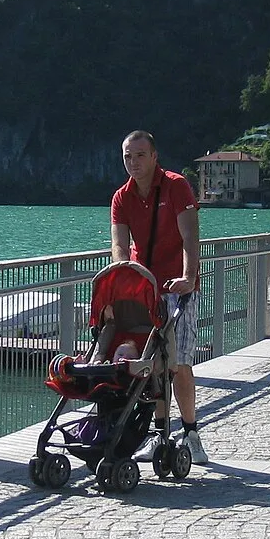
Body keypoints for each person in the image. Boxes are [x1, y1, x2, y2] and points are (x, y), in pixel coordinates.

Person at [110, 130, 206, 462]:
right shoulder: (122, 197)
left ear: (153, 156)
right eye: (127, 156)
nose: (133, 163)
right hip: (144, 289)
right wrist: (121, 276)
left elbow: (190, 235)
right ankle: (158, 431)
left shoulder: (176, 186)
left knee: (178, 363)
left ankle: (191, 432)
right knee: (153, 366)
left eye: (139, 155)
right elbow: (120, 245)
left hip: (176, 288)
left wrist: (188, 278)